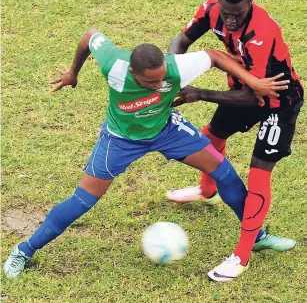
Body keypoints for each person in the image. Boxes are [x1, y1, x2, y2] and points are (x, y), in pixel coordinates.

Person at [3, 27, 288, 281]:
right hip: (120, 139)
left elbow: (214, 55)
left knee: (225, 174)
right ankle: (24, 250)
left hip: (167, 130)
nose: (159, 86)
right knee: (82, 201)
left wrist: (252, 81)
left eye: (161, 80)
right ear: (131, 73)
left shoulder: (175, 67)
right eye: (150, 83)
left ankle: (256, 235)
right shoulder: (114, 64)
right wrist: (73, 73)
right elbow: (90, 36)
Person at [166, 0, 304, 281]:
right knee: (210, 137)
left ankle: (241, 256)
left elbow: (255, 93)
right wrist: (172, 72)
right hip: (242, 92)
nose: (230, 20)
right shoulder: (210, 10)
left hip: (278, 102)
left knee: (257, 172)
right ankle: (207, 190)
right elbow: (181, 40)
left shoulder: (261, 30)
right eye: (226, 12)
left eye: (237, 13)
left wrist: (199, 93)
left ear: (251, 4)